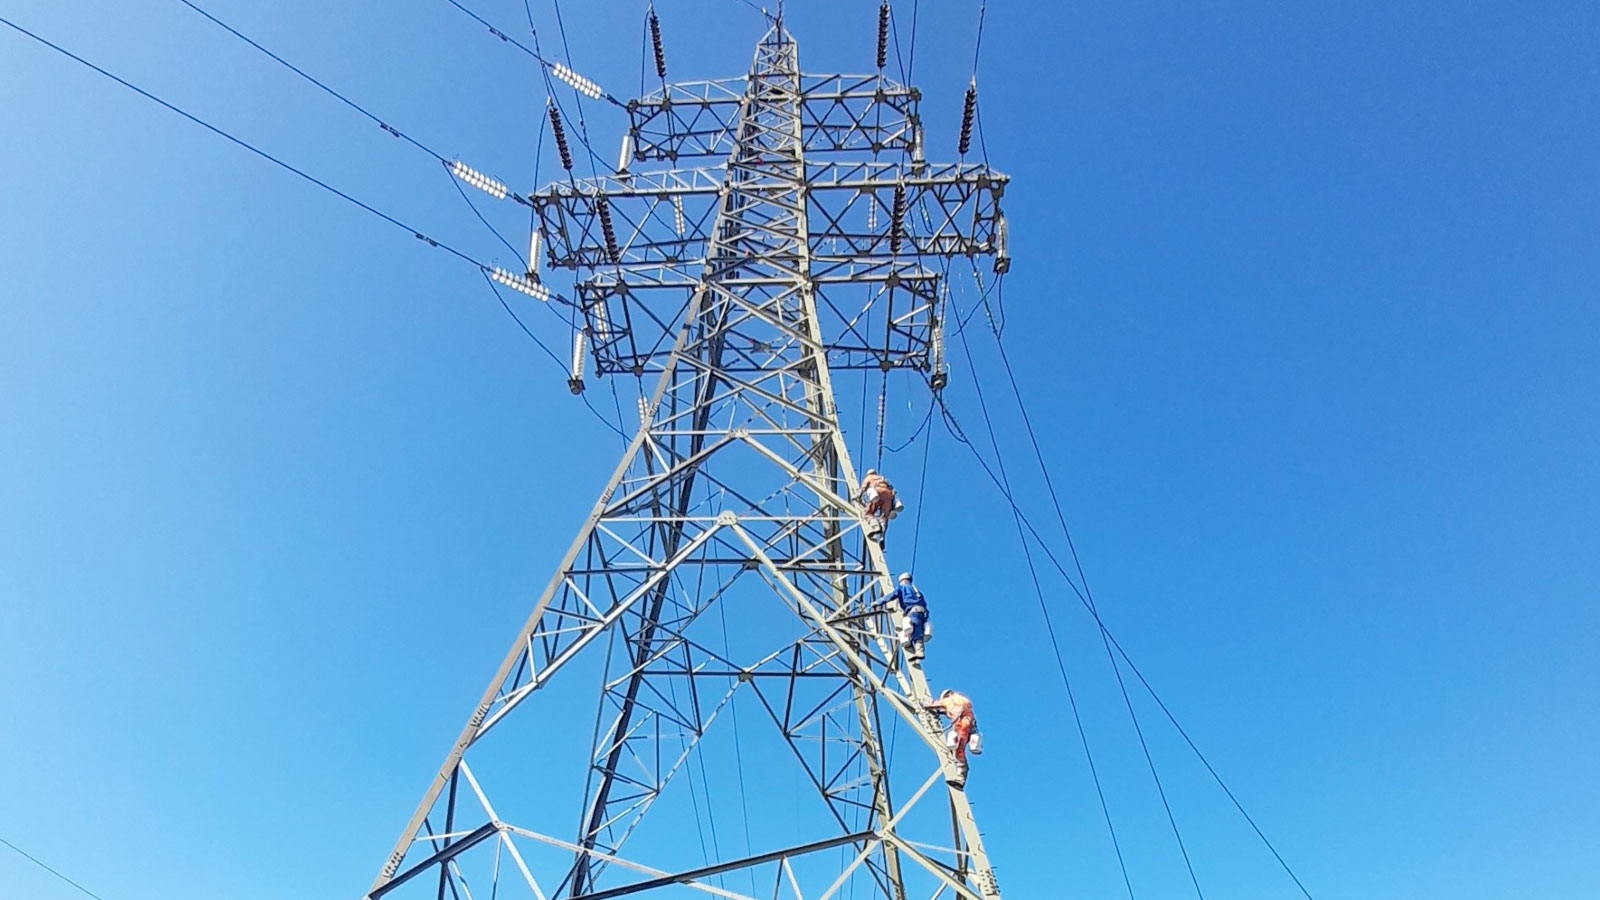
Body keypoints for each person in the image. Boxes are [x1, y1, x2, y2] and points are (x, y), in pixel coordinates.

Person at [925, 689, 978, 786]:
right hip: (969, 725)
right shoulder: (965, 701)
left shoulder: (949, 700)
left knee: (958, 749)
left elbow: (934, 705)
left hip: (961, 724)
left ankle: (961, 775)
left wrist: (924, 704)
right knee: (956, 745)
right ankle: (960, 769)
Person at [881, 572, 929, 663]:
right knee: (918, 632)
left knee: (909, 628)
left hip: (912, 612)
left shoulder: (902, 588)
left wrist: (878, 602)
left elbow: (891, 595)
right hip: (922, 613)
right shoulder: (917, 592)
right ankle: (919, 650)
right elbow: (925, 605)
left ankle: (910, 646)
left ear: (902, 581)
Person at [859, 469, 900, 544]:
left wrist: (857, 496)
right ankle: (882, 537)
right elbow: (893, 490)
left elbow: (863, 488)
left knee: (868, 513)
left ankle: (876, 526)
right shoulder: (882, 478)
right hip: (888, 495)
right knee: (884, 517)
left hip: (877, 492)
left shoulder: (868, 478)